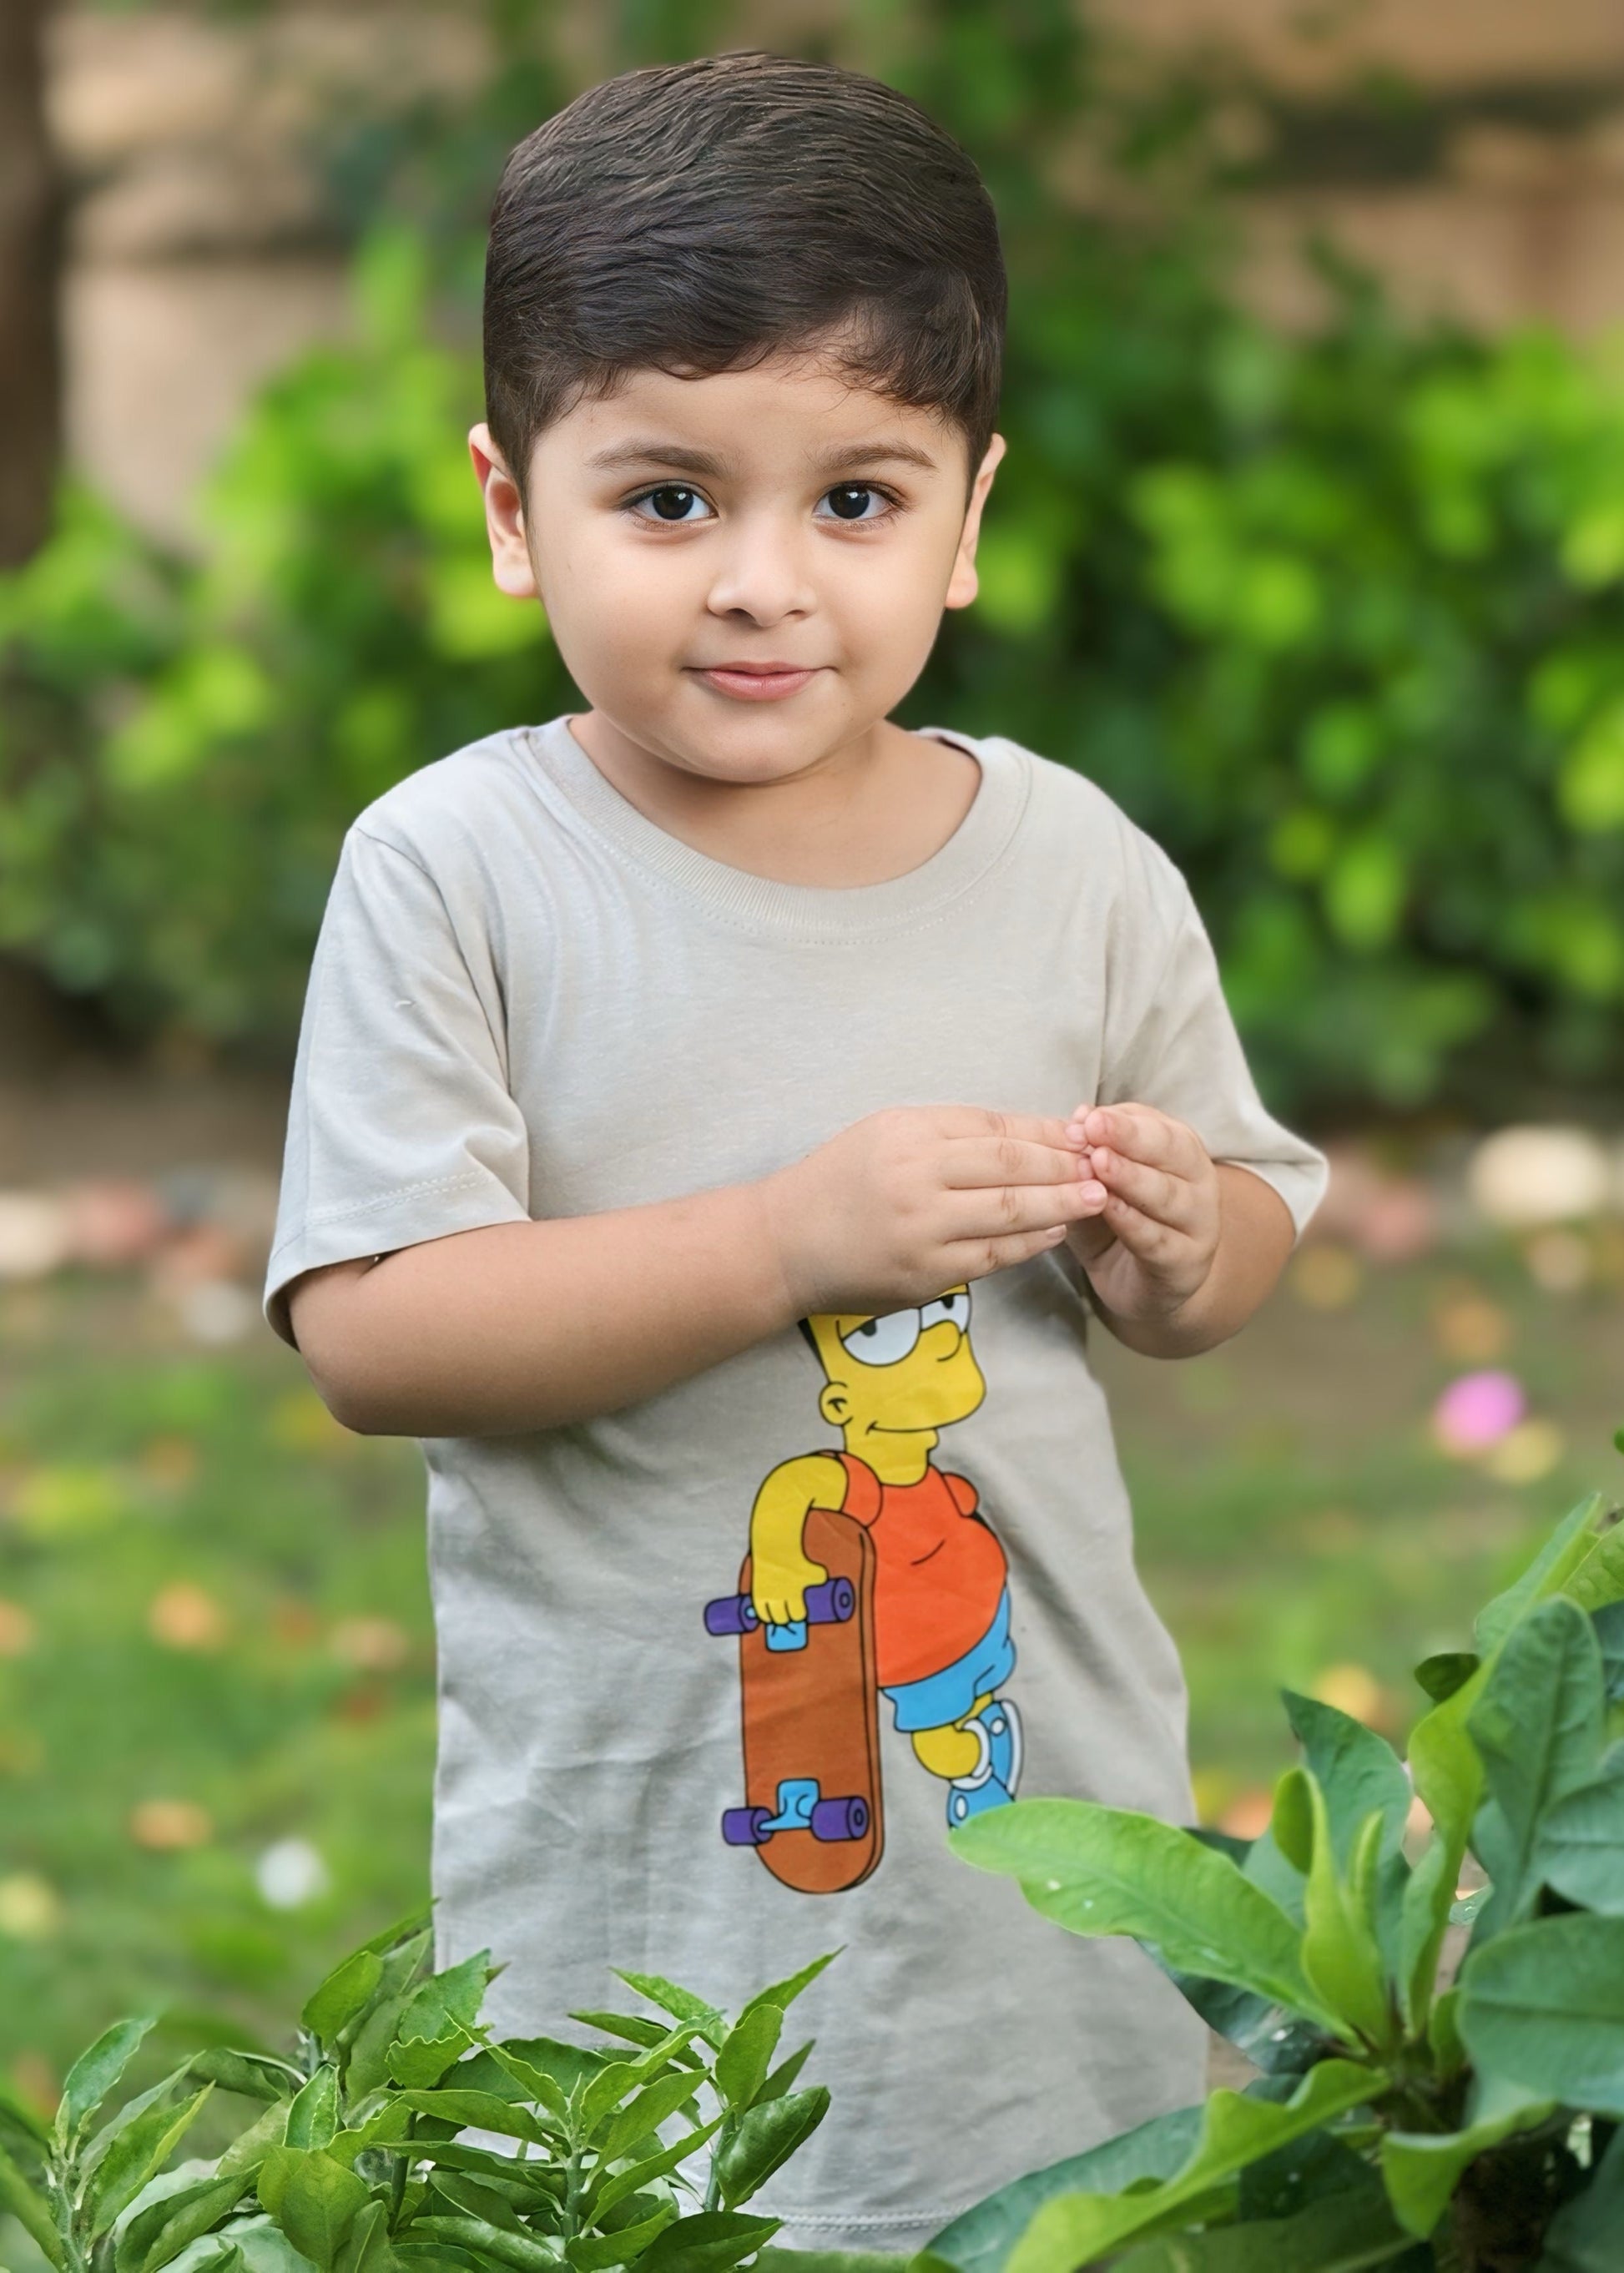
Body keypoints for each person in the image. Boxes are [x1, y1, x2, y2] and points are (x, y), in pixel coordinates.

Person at [264, 50, 1329, 2256]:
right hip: (640, 1901)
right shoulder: (461, 870)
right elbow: (378, 1326)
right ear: (505, 505)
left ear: (967, 516)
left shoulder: (1070, 866)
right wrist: (786, 1235)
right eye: (666, 499)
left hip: (1038, 1904)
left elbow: (1230, 1253)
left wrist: (1167, 1238)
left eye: (853, 499)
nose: (761, 582)